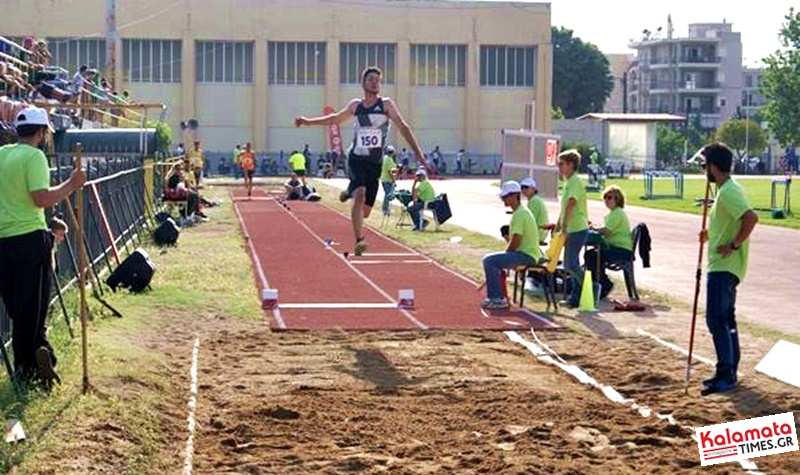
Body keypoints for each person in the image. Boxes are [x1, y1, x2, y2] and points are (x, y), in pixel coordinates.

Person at [294, 66, 429, 255]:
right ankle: (359, 240)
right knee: (360, 195)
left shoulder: (386, 105)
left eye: (378, 80)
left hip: (375, 164)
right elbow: (335, 119)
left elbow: (404, 127)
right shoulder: (356, 106)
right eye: (371, 79)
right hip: (356, 158)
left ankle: (350, 190)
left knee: (365, 211)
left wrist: (419, 154)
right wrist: (308, 121)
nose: (375, 82)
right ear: (363, 83)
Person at [0, 106, 86, 387]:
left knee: (17, 307)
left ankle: (40, 354)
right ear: (42, 132)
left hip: (3, 241)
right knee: (33, 307)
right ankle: (31, 365)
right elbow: (39, 198)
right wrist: (71, 185)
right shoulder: (34, 156)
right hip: (30, 239)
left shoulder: (2, 155)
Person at [699, 142, 758, 396]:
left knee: (716, 319)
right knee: (725, 319)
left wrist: (733, 245)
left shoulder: (729, 191)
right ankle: (729, 368)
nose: (704, 171)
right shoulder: (724, 191)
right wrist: (710, 235)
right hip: (723, 265)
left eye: (705, 166)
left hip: (724, 267)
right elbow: (729, 223)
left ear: (714, 167)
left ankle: (726, 373)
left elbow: (750, 218)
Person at [480, 181, 541, 309]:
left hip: (526, 255)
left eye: (505, 196)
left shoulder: (520, 214)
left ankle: (497, 298)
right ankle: (497, 296)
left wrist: (506, 255)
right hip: (525, 254)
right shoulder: (520, 212)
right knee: (492, 260)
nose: (503, 199)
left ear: (515, 196)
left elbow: (516, 240)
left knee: (489, 260)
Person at [585, 185, 633, 300]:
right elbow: (605, 229)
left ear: (618, 199)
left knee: (591, 256)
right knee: (592, 255)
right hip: (613, 248)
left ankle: (604, 284)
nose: (607, 200)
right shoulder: (611, 214)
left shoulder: (618, 213)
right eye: (605, 197)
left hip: (621, 250)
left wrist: (593, 229)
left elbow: (606, 231)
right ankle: (599, 283)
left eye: (610, 197)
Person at [555, 149, 589, 308]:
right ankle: (575, 298)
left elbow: (571, 203)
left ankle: (591, 287)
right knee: (572, 263)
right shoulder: (568, 182)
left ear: (571, 165)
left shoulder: (575, 181)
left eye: (561, 164)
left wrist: (565, 226)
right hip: (572, 228)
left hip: (577, 229)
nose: (559, 167)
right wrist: (558, 222)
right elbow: (563, 207)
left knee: (569, 264)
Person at [380, 145, 398, 216]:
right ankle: (385, 209)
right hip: (388, 180)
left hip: (384, 179)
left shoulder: (385, 158)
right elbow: (390, 171)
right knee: (388, 195)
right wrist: (394, 180)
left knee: (388, 194)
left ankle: (387, 208)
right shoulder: (389, 159)